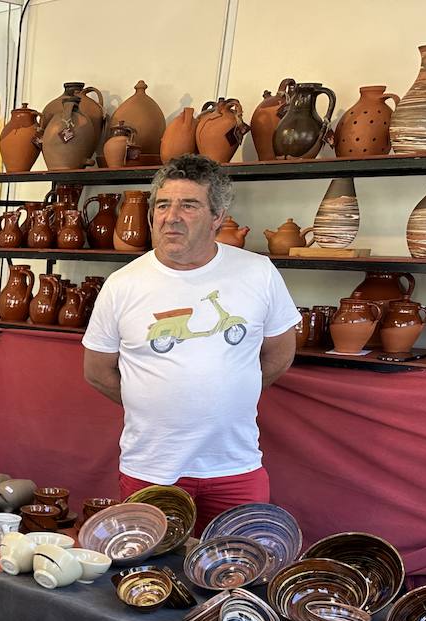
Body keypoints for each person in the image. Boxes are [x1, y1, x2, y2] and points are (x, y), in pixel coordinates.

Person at [82, 155, 298, 532]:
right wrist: (151, 401)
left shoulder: (258, 272)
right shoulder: (122, 284)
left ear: (217, 216)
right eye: (163, 205)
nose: (172, 216)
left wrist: (231, 394)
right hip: (151, 468)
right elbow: (97, 372)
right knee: (148, 576)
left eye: (189, 205)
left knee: (239, 570)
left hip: (235, 466)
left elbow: (280, 354)